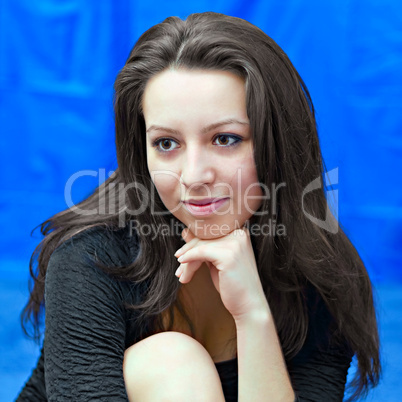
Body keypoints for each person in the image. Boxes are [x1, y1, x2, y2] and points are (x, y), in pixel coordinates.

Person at [16, 11, 381, 402]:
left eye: (225, 139)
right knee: (174, 361)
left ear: (277, 143)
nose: (193, 176)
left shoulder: (321, 276)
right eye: (166, 143)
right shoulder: (93, 256)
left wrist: (254, 317)